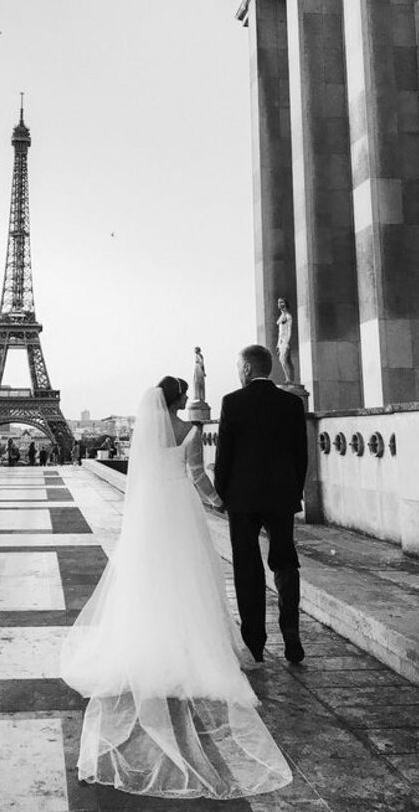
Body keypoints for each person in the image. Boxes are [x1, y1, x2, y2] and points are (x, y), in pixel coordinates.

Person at [61, 376, 292, 800]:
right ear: (180, 398)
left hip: (152, 514)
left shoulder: (146, 432)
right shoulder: (191, 430)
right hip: (181, 509)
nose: (188, 397)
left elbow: (140, 477)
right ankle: (188, 643)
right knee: (191, 578)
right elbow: (197, 475)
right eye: (185, 393)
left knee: (151, 578)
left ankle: (151, 640)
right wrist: (217, 500)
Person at [214, 344, 308, 665]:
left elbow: (223, 455)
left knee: (247, 567)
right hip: (282, 496)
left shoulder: (232, 402)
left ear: (247, 370)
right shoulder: (291, 404)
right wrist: (293, 492)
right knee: (285, 560)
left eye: (238, 368)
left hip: (242, 498)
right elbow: (301, 456)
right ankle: (291, 630)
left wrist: (221, 494)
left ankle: (255, 640)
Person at [276, 297, 295, 384]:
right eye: (279, 303)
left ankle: (289, 379)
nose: (280, 304)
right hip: (281, 341)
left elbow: (289, 330)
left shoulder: (288, 316)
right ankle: (289, 378)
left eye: (282, 302)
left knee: (283, 359)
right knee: (284, 360)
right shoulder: (282, 316)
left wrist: (287, 342)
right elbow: (280, 332)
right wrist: (277, 344)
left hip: (285, 341)